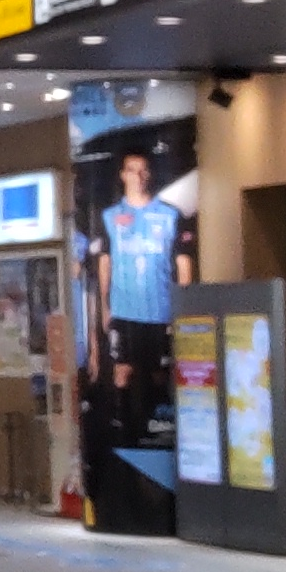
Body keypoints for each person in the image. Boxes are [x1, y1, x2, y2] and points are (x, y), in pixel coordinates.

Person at [87, 149, 196, 446]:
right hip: (125, 310)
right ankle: (124, 431)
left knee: (160, 372)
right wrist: (105, 305)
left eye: (143, 169)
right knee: (123, 371)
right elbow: (104, 264)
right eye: (132, 169)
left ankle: (159, 430)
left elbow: (183, 264)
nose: (138, 175)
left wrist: (182, 307)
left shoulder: (170, 215)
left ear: (150, 174)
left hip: (161, 311)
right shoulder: (110, 217)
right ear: (123, 175)